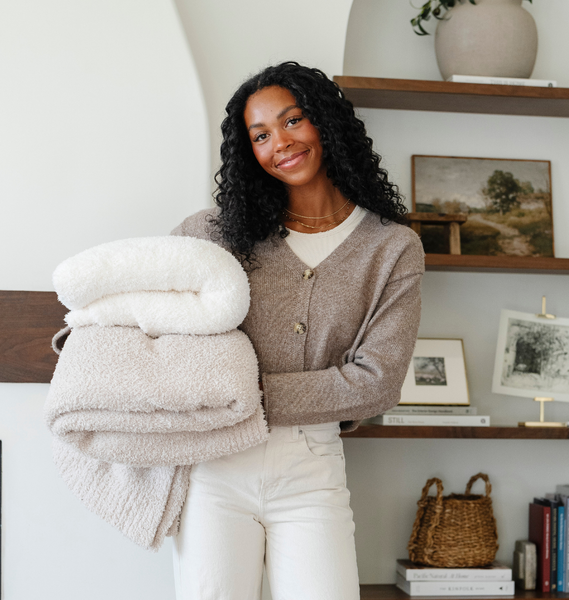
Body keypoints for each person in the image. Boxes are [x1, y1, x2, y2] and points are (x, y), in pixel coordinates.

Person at [170, 61, 424, 600]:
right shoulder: (213, 233)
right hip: (215, 466)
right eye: (260, 135)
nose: (279, 143)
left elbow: (377, 383)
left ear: (326, 122)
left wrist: (232, 394)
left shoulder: (391, 247)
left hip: (311, 467)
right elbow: (138, 312)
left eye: (292, 121)